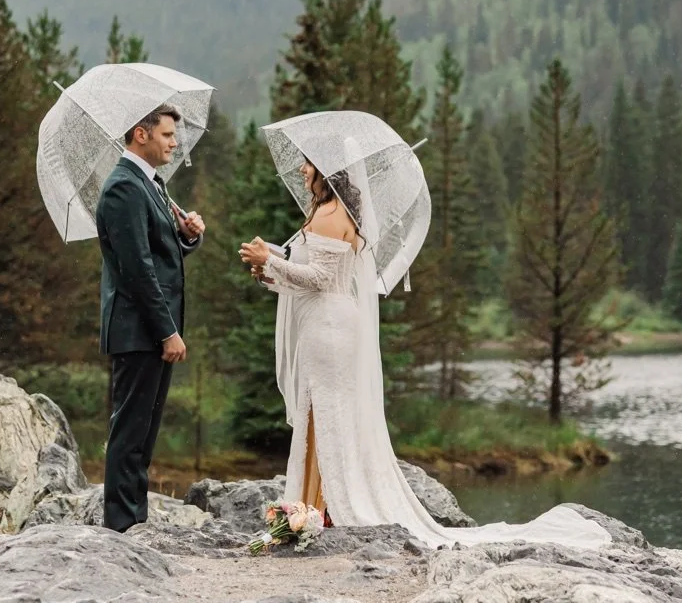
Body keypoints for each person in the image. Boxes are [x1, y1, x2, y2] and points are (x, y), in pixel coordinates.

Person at [239, 149, 609, 550]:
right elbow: (312, 277)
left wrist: (270, 261)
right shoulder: (329, 211)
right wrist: (269, 268)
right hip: (326, 323)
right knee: (322, 416)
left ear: (327, 170)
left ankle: (325, 508)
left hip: (330, 329)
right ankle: (312, 507)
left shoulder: (330, 214)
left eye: (309, 162)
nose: (302, 168)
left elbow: (323, 278)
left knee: (329, 416)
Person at [96, 103, 206, 532]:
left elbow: (158, 252)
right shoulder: (123, 188)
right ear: (140, 135)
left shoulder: (152, 184)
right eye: (166, 135)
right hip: (138, 330)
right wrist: (167, 331)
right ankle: (121, 528)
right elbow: (137, 270)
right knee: (129, 433)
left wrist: (186, 236)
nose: (174, 143)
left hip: (151, 330)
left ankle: (135, 521)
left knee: (144, 433)